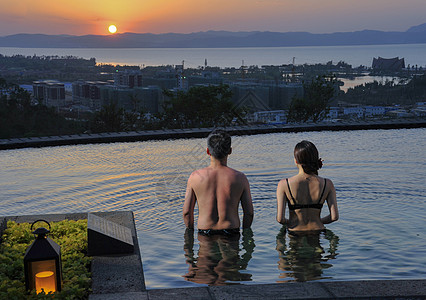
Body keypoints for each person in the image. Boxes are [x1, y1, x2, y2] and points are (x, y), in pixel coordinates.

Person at [183, 129, 254, 236]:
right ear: (230, 151)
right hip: (231, 232)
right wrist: (245, 234)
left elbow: (187, 213)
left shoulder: (195, 177)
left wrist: (190, 237)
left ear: (207, 151)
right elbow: (249, 213)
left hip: (205, 233)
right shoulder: (240, 178)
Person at [276, 140, 338, 234]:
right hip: (318, 231)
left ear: (296, 160)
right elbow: (334, 217)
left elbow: (280, 219)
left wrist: (292, 222)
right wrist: (318, 221)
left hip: (295, 232)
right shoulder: (327, 183)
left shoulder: (284, 184)